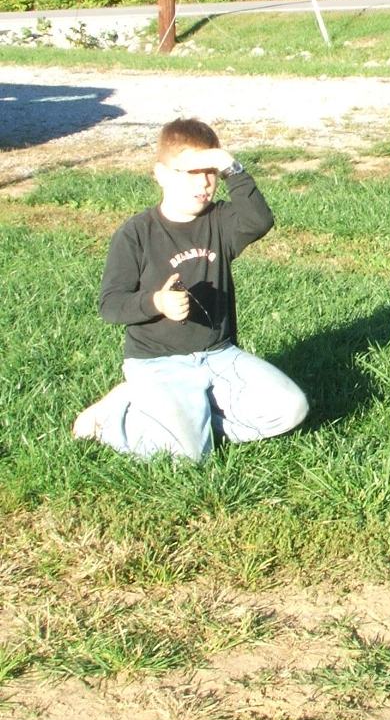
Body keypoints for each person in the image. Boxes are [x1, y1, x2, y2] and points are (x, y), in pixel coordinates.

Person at [73, 117, 308, 462]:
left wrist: (232, 167)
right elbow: (111, 305)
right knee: (188, 457)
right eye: (192, 172)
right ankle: (116, 414)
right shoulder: (136, 233)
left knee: (291, 409)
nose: (204, 182)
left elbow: (259, 220)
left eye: (211, 171)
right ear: (161, 174)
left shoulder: (220, 220)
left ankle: (195, 422)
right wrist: (157, 302)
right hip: (158, 362)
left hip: (219, 354)